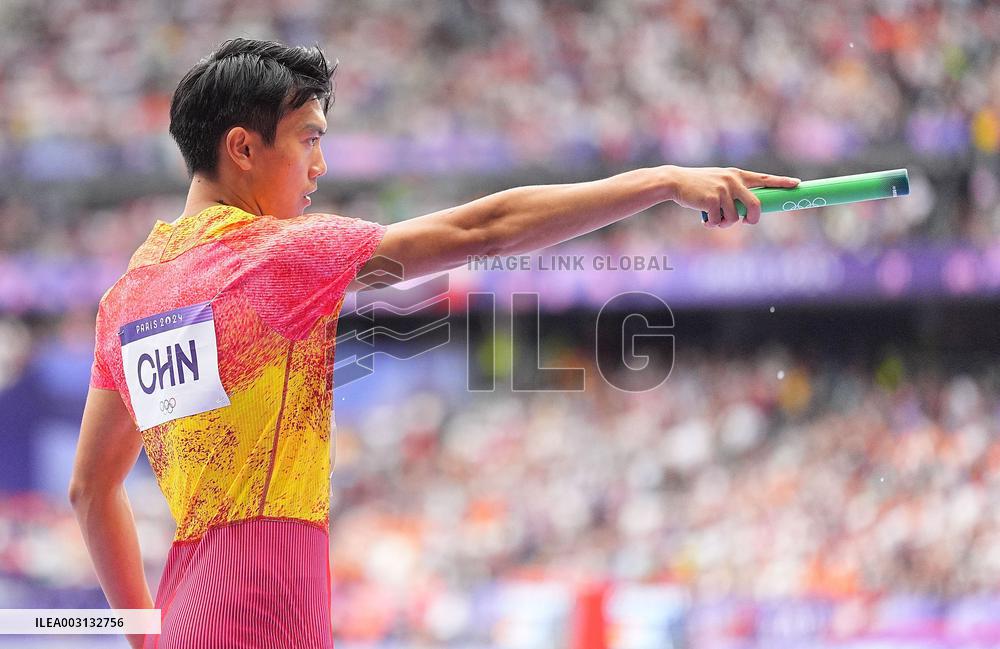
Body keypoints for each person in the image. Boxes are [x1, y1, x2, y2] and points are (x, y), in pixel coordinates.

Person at [68, 37, 799, 648]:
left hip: (193, 607)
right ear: (242, 148)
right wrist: (664, 179)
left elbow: (90, 487)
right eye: (309, 140)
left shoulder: (130, 296)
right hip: (266, 605)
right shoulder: (273, 256)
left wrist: (146, 633)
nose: (320, 166)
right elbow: (482, 230)